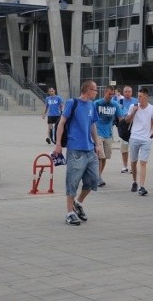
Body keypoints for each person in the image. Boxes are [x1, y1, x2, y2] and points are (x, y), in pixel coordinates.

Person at [53, 80, 103, 226]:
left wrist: (97, 143)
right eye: (94, 90)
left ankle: (78, 203)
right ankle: (69, 213)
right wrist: (58, 144)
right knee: (72, 181)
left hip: (90, 149)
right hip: (75, 149)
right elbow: (62, 122)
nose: (96, 92)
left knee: (93, 180)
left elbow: (93, 124)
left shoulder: (91, 105)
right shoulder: (72, 102)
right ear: (87, 90)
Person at [125, 87, 153, 195]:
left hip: (146, 139)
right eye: (138, 96)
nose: (138, 98)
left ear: (146, 96)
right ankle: (134, 181)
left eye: (140, 96)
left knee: (143, 162)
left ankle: (142, 186)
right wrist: (134, 112)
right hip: (134, 137)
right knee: (133, 162)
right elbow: (127, 120)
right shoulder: (133, 106)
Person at [92, 85, 125, 187]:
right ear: (104, 93)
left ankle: (98, 176)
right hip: (98, 133)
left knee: (105, 157)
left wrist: (125, 130)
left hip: (108, 135)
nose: (111, 96)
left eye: (112, 94)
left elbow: (121, 119)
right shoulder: (97, 103)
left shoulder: (115, 104)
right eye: (109, 94)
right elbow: (91, 118)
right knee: (99, 157)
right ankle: (98, 178)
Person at [118, 86, 139, 172]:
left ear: (131, 92)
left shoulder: (135, 101)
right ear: (123, 92)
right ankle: (125, 166)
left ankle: (132, 166)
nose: (127, 93)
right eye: (125, 91)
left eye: (129, 91)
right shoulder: (120, 101)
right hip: (124, 126)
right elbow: (118, 113)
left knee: (133, 147)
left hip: (134, 126)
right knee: (124, 147)